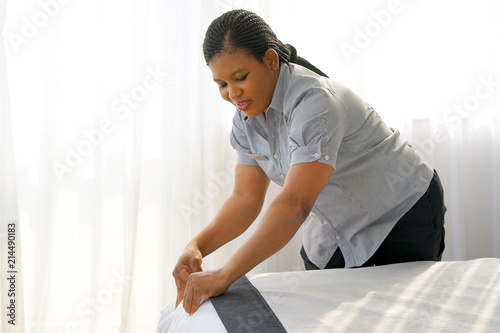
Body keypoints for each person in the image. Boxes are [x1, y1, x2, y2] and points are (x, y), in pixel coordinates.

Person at [173, 9, 446, 315]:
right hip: (332, 229)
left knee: (394, 315)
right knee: (326, 316)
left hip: (398, 213)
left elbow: (294, 204)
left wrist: (225, 275)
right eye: (222, 84)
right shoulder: (245, 119)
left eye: (241, 77)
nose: (233, 93)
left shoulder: (315, 101)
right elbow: (245, 198)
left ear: (271, 60)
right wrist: (197, 246)